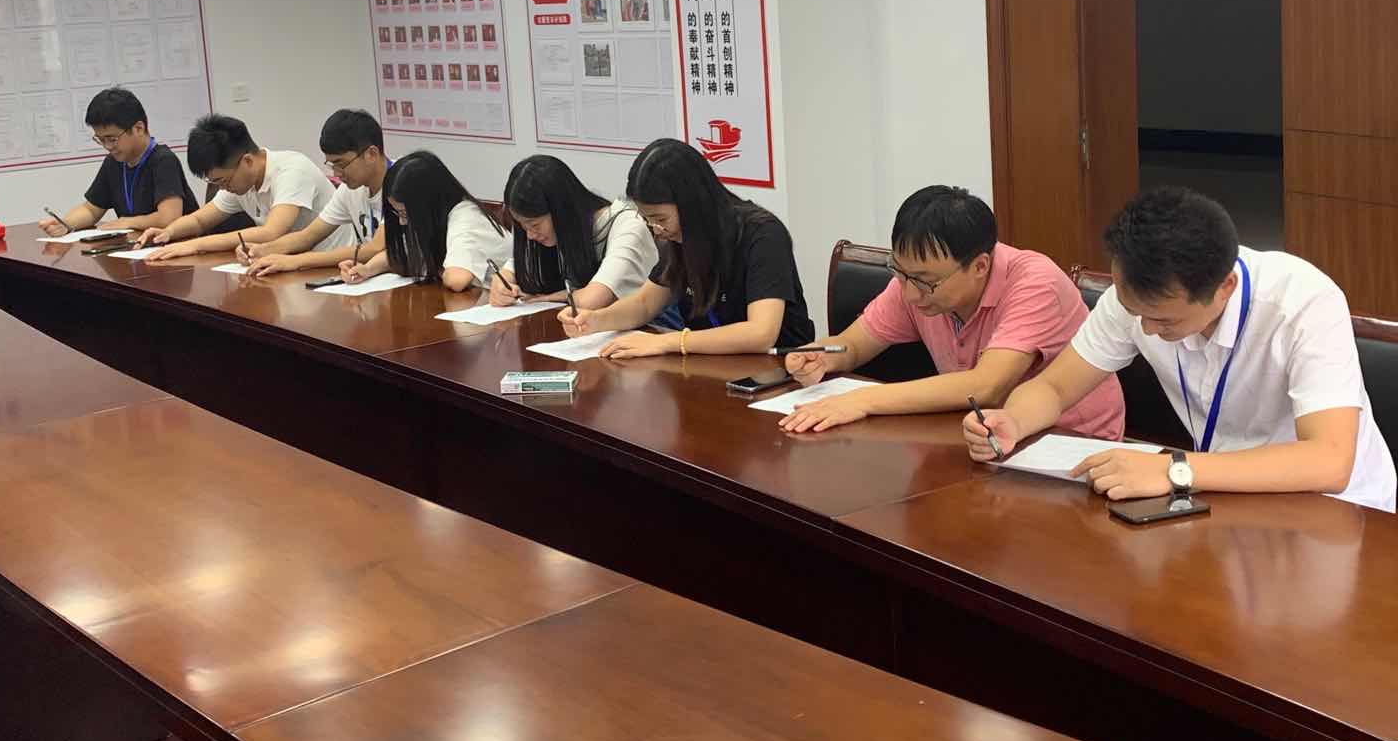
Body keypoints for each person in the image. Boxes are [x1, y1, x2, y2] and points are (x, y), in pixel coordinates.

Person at [963, 187, 1397, 512]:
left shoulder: (1303, 303)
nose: (1146, 330)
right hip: (1220, 492)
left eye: (1165, 321)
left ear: (1225, 287)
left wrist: (1174, 468)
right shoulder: (1135, 298)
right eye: (1136, 314)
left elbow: (1329, 460)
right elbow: (1055, 389)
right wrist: (1013, 421)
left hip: (1339, 511)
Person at [778, 186, 1124, 436]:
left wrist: (862, 400)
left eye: (925, 281)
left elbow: (986, 386)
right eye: (899, 273)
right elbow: (853, 345)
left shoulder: (1035, 283)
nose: (909, 293)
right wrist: (822, 355)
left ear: (980, 266)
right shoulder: (915, 279)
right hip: (980, 433)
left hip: (1068, 440)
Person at [559, 138, 814, 358]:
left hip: (778, 370)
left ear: (693, 204)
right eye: (647, 219)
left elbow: (760, 333)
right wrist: (595, 320)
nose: (656, 230)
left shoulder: (762, 235)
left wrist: (667, 342)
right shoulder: (681, 238)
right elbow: (645, 304)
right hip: (709, 365)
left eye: (660, 219)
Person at [138, 114, 339, 260]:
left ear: (247, 161)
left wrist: (195, 245)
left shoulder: (292, 171)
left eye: (223, 181)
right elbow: (199, 220)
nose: (223, 188)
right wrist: (168, 232)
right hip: (287, 263)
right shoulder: (240, 181)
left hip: (331, 266)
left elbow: (271, 232)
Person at [489, 155, 658, 310]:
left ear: (561, 210)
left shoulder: (627, 227)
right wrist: (503, 281)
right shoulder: (559, 233)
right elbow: (515, 268)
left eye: (534, 225)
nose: (530, 235)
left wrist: (550, 298)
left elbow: (593, 300)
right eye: (523, 226)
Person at [241, 109, 390, 277]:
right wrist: (263, 249)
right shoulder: (349, 190)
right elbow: (308, 236)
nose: (336, 174)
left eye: (341, 164)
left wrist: (296, 261)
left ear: (371, 154)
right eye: (332, 165)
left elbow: (375, 249)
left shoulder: (403, 182)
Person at [38, 88, 198, 236]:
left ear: (138, 128)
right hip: (137, 246)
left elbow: (169, 218)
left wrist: (127, 222)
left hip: (179, 246)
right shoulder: (114, 162)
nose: (107, 146)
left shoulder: (163, 160)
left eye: (112, 139)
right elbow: (91, 210)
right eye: (101, 140)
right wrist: (66, 224)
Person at [340, 150, 507, 291]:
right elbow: (402, 253)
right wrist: (367, 269)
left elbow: (456, 280)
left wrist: (437, 268)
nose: (402, 222)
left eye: (404, 213)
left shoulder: (466, 218)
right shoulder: (436, 218)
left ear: (428, 204)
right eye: (398, 213)